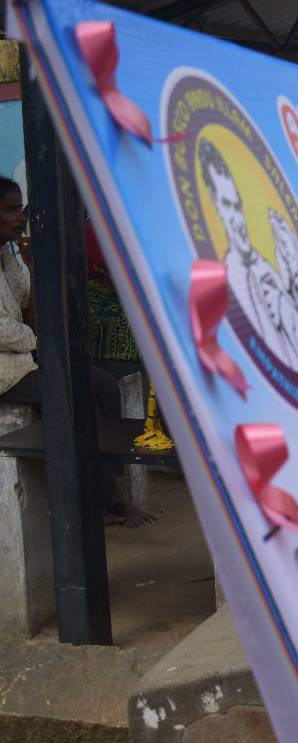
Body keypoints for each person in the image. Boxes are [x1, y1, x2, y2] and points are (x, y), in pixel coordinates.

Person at [0, 178, 156, 527]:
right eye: (10, 209)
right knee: (82, 389)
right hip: (7, 370)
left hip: (24, 359)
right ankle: (110, 500)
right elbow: (8, 331)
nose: (20, 218)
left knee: (99, 383)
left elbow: (31, 307)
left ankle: (102, 489)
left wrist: (36, 267)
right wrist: (39, 339)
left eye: (19, 208)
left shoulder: (10, 259)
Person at [199, 140, 298, 374]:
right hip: (128, 331)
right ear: (216, 207)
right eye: (227, 205)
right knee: (128, 388)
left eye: (237, 206)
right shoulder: (225, 273)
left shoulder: (262, 268)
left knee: (124, 391)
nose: (237, 219)